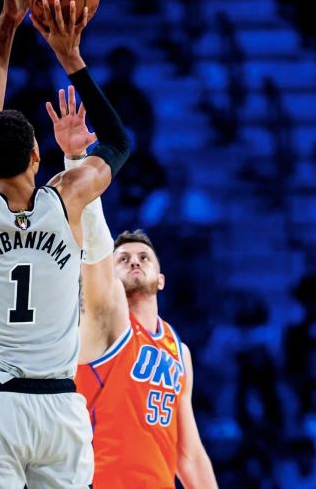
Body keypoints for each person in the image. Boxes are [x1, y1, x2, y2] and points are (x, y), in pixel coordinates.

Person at [0, 0, 130, 488]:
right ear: (36, 155)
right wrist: (70, 57)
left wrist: (7, 26)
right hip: (60, 409)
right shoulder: (66, 198)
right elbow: (120, 141)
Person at [47, 94, 217, 488]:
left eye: (144, 257)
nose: (135, 261)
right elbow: (95, 242)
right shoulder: (105, 322)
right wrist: (77, 161)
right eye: (123, 258)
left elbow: (188, 453)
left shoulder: (178, 350)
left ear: (161, 278)